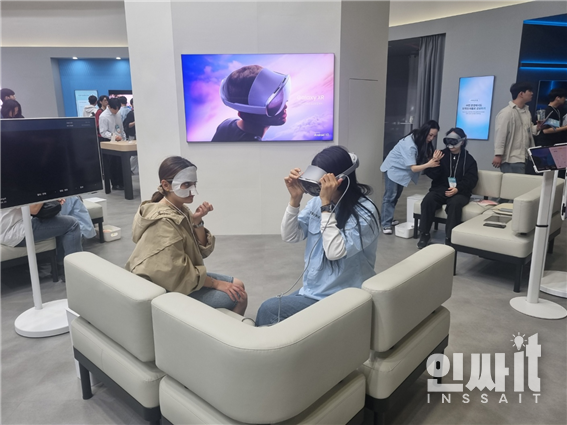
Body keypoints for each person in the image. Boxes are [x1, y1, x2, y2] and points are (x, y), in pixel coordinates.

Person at [255, 146, 380, 326]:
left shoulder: (365, 212)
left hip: (342, 296)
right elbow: (290, 236)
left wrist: (326, 206)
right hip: (314, 291)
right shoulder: (317, 202)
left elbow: (335, 252)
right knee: (274, 311)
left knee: (269, 309)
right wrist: (295, 200)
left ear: (339, 180)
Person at [125, 156, 248, 315]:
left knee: (238, 285)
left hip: (179, 277)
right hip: (166, 286)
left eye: (194, 184)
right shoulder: (163, 222)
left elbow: (201, 252)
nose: (193, 190)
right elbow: (176, 273)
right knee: (239, 296)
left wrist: (197, 222)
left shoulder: (179, 209)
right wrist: (216, 284)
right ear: (166, 185)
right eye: (187, 184)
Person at [417, 128, 478, 249]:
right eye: (448, 141)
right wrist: (433, 162)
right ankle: (424, 233)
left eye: (454, 141)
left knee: (455, 204)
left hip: (460, 192)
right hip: (441, 189)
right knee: (428, 200)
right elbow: (433, 176)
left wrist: (458, 189)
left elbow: (471, 179)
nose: (451, 145)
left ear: (462, 141)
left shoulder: (469, 160)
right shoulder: (441, 155)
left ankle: (450, 237)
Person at [379, 120, 442, 234]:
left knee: (396, 196)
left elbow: (422, 158)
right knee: (390, 196)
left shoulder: (421, 140)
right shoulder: (409, 144)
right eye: (430, 135)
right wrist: (430, 164)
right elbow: (413, 168)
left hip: (403, 171)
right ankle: (385, 224)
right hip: (393, 169)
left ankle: (388, 218)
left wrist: (433, 159)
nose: (431, 138)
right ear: (424, 132)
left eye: (434, 136)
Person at [211, 65, 289, 141]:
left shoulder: (227, 124)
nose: (285, 106)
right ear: (243, 115)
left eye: (280, 97)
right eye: (274, 103)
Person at [0, 201, 83, 272]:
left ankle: (61, 265)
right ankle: (74, 271)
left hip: (5, 231)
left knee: (57, 216)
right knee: (73, 224)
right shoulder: (14, 188)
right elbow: (34, 209)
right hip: (15, 232)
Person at [493, 82, 541, 174]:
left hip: (524, 156)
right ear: (521, 94)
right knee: (513, 182)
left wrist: (538, 127)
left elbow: (528, 130)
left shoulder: (526, 111)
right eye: (529, 91)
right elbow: (500, 134)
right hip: (511, 158)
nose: (532, 93)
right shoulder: (507, 112)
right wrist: (498, 154)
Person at [99, 98, 125, 190]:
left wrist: (123, 138)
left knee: (121, 163)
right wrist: (113, 136)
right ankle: (115, 184)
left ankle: (122, 182)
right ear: (109, 106)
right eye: (114, 109)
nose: (116, 111)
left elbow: (121, 128)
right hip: (109, 141)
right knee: (113, 164)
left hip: (120, 141)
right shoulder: (103, 116)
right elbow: (103, 132)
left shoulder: (118, 113)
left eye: (118, 109)